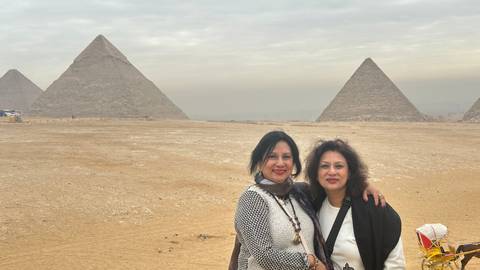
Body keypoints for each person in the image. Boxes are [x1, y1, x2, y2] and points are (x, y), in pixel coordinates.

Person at [231, 131, 385, 270]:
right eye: (272, 156)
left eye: (286, 157)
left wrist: (362, 186)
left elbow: (332, 187)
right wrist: (310, 262)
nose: (280, 163)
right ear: (259, 161)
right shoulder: (253, 199)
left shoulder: (299, 193)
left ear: (294, 162)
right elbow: (264, 255)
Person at [305, 139, 405, 270]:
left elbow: (395, 264)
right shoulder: (311, 206)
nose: (332, 172)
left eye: (339, 166)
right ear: (316, 174)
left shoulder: (374, 208)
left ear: (350, 172)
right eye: (324, 166)